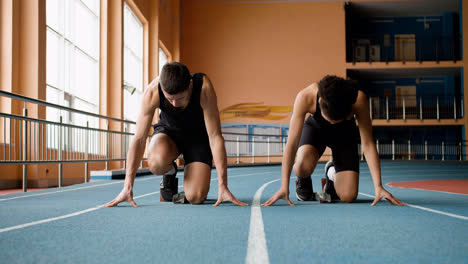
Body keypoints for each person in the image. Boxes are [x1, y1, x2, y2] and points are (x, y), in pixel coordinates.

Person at [104, 62, 247, 207]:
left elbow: (215, 137)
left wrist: (223, 185)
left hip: (198, 138)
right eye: (169, 99)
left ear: (190, 85)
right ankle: (170, 172)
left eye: (180, 98)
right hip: (169, 134)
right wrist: (127, 187)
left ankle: (174, 197)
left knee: (196, 197)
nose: (174, 104)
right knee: (155, 163)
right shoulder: (153, 92)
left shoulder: (203, 88)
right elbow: (139, 139)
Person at [262, 75, 404, 206]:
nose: (333, 123)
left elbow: (368, 144)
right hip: (316, 130)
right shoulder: (305, 97)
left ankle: (331, 173)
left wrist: (378, 186)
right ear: (320, 102)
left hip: (344, 135)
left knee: (348, 196)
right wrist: (284, 186)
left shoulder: (358, 99)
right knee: (300, 166)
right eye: (330, 119)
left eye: (337, 120)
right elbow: (292, 144)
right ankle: (303, 182)